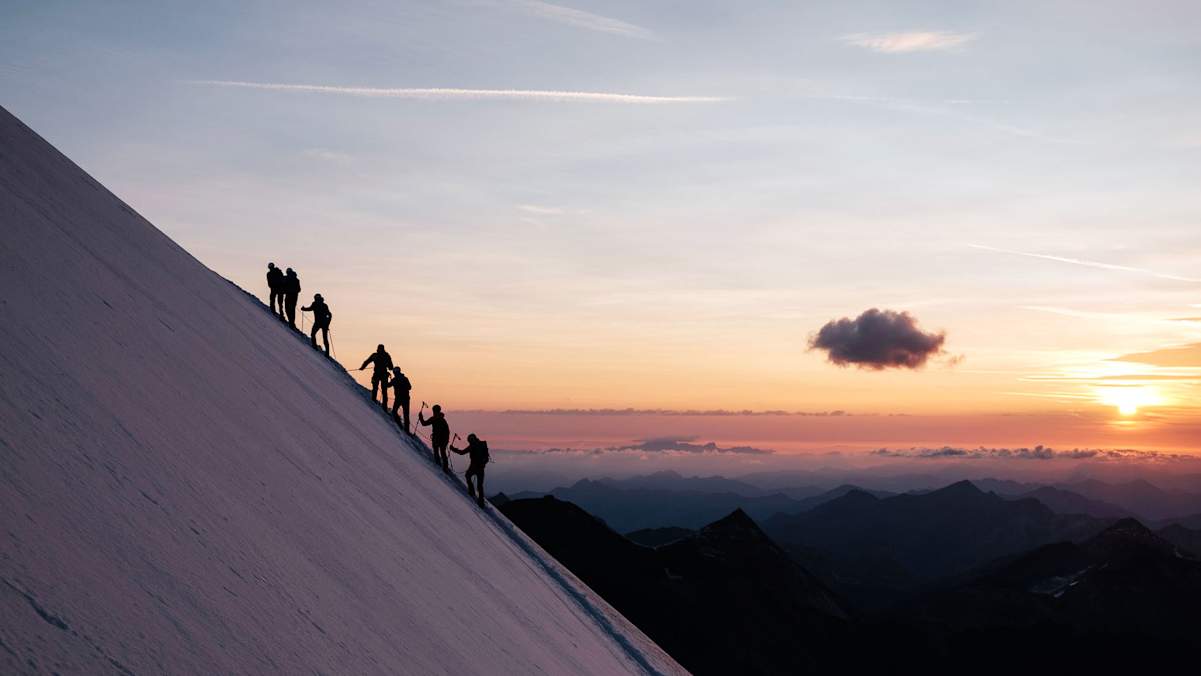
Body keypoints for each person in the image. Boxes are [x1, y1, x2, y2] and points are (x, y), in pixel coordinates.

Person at [451, 433, 490, 506]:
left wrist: (453, 449)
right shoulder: (482, 445)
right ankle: (481, 501)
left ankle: (471, 491)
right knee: (480, 485)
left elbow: (462, 452)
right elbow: (486, 457)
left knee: (468, 476)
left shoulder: (472, 446)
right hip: (481, 468)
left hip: (474, 467)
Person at [359, 344, 394, 409]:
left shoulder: (375, 355)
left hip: (378, 374)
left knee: (376, 388)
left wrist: (362, 368)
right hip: (383, 374)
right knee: (384, 391)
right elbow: (391, 367)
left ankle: (374, 401)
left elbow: (367, 361)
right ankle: (384, 406)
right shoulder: (386, 356)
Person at [418, 404, 450, 470]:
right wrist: (446, 440)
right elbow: (447, 431)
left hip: (437, 438)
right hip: (443, 439)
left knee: (437, 451)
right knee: (443, 452)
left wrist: (420, 417)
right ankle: (445, 468)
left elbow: (424, 423)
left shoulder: (434, 418)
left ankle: (438, 465)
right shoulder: (443, 419)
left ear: (434, 411)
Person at [388, 366, 412, 433]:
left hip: (399, 398)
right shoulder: (405, 379)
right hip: (406, 398)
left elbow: (388, 385)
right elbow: (409, 387)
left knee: (394, 412)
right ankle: (406, 430)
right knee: (406, 414)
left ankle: (399, 425)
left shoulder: (394, 380)